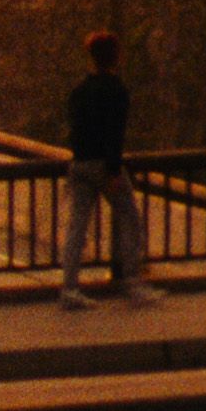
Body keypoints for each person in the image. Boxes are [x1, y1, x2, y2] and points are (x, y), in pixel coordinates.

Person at [54, 32, 153, 306]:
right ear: (116, 57)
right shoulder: (116, 90)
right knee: (130, 219)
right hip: (103, 164)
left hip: (80, 164)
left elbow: (75, 130)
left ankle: (69, 288)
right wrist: (112, 171)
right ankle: (132, 281)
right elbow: (114, 134)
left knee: (77, 227)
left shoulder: (80, 91)